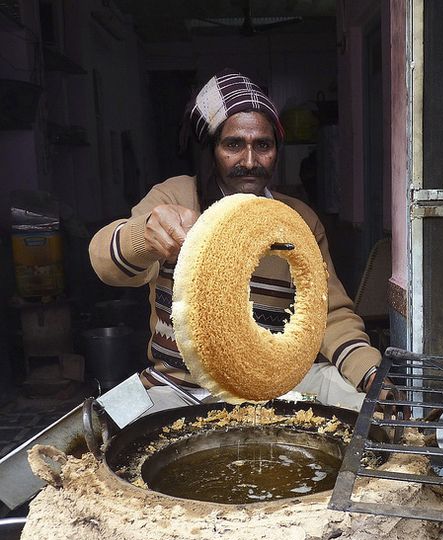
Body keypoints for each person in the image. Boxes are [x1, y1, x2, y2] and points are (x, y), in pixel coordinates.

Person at [89, 69, 384, 412]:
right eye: (233, 145)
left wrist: (369, 371)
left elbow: (329, 313)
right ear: (211, 149)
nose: (249, 161)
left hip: (273, 387)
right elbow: (104, 261)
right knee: (102, 424)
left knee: (365, 404)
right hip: (176, 386)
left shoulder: (298, 220)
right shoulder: (176, 197)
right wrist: (144, 236)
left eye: (263, 145)